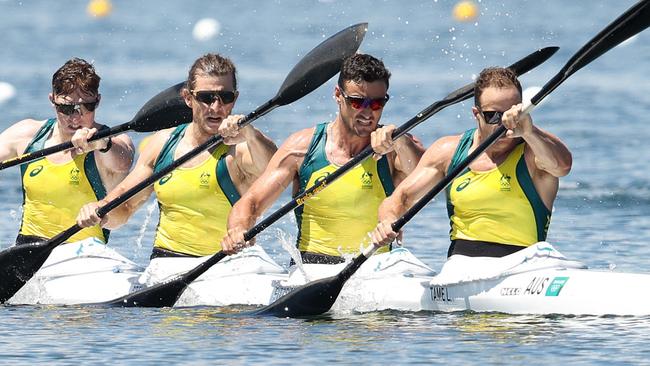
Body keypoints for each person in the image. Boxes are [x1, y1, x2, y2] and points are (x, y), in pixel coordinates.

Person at [222, 53, 425, 264]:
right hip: (312, 267)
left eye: (377, 104)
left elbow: (429, 177)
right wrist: (238, 229)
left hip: (374, 267)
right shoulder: (302, 148)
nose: (367, 113)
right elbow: (252, 202)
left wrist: (401, 140)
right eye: (357, 102)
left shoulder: (396, 149)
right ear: (338, 95)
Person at [76, 53, 277, 259]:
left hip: (227, 261)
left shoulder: (242, 148)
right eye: (206, 98)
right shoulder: (162, 144)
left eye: (225, 97)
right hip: (168, 261)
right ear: (188, 98)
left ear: (235, 98)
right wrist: (100, 211)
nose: (216, 107)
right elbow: (126, 206)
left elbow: (276, 171)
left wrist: (252, 134)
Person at [371, 67, 572, 258]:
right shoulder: (449, 152)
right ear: (476, 114)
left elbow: (562, 167)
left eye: (510, 115)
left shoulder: (534, 152)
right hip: (463, 267)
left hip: (524, 267)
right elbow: (400, 198)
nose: (503, 124)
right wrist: (388, 221)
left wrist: (530, 131)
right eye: (493, 116)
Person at [0, 58, 134, 245]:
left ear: (98, 101)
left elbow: (124, 161)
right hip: (28, 251)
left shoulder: (111, 143)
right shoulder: (28, 135)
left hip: (85, 253)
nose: (76, 117)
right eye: (66, 108)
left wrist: (101, 144)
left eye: (86, 107)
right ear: (52, 101)